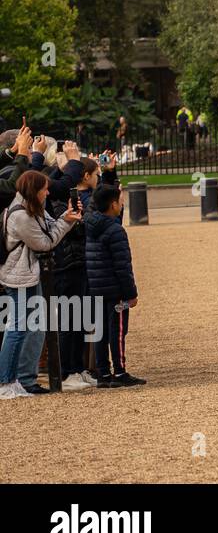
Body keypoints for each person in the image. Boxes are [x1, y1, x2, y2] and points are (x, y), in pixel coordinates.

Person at [0, 170, 81, 398]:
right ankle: (6, 382)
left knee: (32, 326)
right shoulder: (21, 216)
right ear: (34, 191)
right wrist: (66, 223)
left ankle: (23, 379)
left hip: (27, 273)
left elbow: (50, 227)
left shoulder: (30, 207)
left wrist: (66, 217)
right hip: (19, 276)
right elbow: (45, 243)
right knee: (17, 328)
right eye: (44, 189)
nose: (48, 192)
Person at [48, 153, 119, 390]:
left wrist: (109, 174)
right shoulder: (65, 196)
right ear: (84, 175)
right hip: (68, 264)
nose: (98, 178)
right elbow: (78, 225)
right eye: (97, 174)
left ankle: (78, 368)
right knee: (70, 321)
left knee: (80, 321)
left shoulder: (78, 195)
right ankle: (68, 371)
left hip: (80, 263)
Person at [85, 185, 144, 388]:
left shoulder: (91, 224)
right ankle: (119, 371)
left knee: (100, 330)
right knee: (117, 330)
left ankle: (103, 372)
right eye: (120, 201)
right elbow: (123, 267)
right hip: (115, 290)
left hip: (97, 287)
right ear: (112, 205)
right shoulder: (115, 230)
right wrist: (131, 294)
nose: (122, 204)